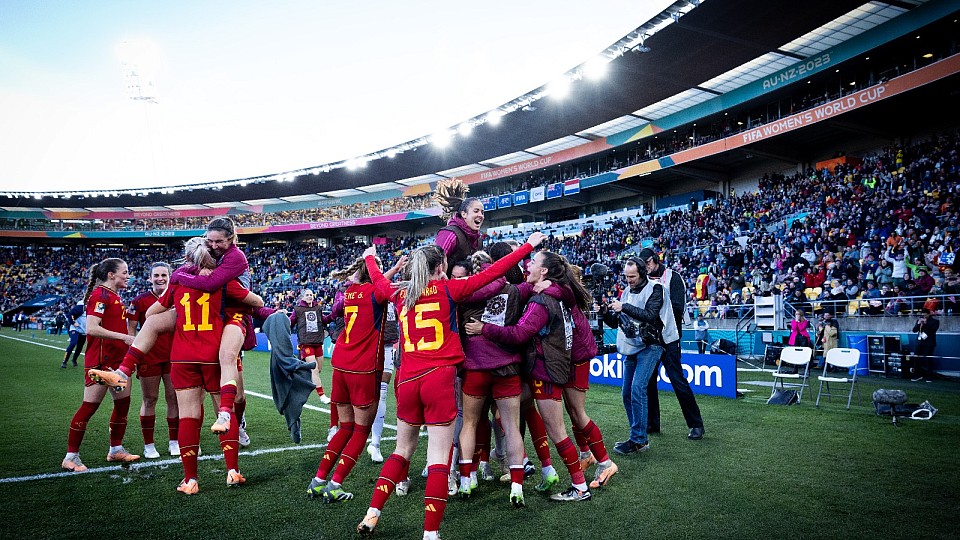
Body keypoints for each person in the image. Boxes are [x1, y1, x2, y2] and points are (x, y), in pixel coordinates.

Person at [357, 232, 544, 540]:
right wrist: (527, 246)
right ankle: (430, 533)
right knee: (438, 456)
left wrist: (368, 257)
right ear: (440, 265)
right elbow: (495, 271)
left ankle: (373, 512)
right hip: (440, 378)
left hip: (408, 379)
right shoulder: (449, 289)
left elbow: (377, 280)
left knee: (401, 450)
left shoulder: (400, 294)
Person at [92, 218, 254, 446]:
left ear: (231, 239)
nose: (214, 246)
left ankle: (234, 420)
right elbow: (152, 313)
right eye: (210, 243)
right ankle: (123, 372)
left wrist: (177, 277)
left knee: (231, 376)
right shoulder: (191, 274)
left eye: (218, 242)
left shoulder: (231, 260)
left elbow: (229, 291)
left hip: (230, 316)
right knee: (155, 325)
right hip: (197, 335)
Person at [468, 249, 595, 503]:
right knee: (514, 411)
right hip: (551, 367)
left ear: (544, 271)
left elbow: (518, 334)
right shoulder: (555, 293)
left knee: (556, 430)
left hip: (545, 371)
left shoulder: (541, 302)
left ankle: (579, 486)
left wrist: (485, 328)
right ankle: (540, 467)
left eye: (533, 262)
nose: (528, 265)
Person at [141, 237, 263, 494]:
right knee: (225, 411)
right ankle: (232, 470)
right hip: (214, 354)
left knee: (189, 417)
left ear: (187, 258)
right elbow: (257, 301)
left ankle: (190, 480)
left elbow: (151, 315)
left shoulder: (177, 282)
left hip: (183, 356)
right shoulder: (223, 283)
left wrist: (176, 316)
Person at [305, 254, 406, 503]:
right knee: (361, 430)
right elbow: (383, 289)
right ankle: (336, 484)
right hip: (364, 367)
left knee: (345, 427)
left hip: (341, 364)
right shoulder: (376, 292)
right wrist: (386, 268)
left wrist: (391, 269)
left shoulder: (351, 292)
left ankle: (318, 481)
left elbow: (378, 286)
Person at [61, 258, 138, 472]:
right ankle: (71, 457)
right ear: (111, 275)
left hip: (118, 362)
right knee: (89, 407)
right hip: (101, 363)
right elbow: (92, 329)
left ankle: (116, 450)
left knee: (122, 405)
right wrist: (124, 338)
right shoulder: (100, 295)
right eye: (124, 272)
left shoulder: (113, 295)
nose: (128, 275)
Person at [637, 248, 705, 441]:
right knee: (648, 381)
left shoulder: (673, 278)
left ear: (655, 260)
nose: (646, 268)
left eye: (647, 263)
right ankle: (652, 423)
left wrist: (652, 315)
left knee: (677, 380)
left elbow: (677, 308)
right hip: (650, 339)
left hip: (669, 338)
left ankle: (696, 424)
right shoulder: (645, 281)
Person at [600, 258, 666, 455]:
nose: (629, 280)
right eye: (627, 276)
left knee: (637, 388)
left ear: (642, 273)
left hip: (651, 345)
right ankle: (637, 435)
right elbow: (616, 322)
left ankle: (638, 439)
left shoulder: (656, 288)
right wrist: (604, 312)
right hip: (632, 346)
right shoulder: (627, 291)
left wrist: (624, 307)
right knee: (627, 393)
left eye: (632, 276)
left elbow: (650, 315)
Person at [126, 262, 180, 458]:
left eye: (164, 275)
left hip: (174, 356)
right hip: (149, 356)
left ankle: (174, 441)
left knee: (173, 398)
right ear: (150, 278)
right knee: (150, 399)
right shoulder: (140, 301)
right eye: (156, 275)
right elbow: (131, 332)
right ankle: (148, 445)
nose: (160, 279)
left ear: (170, 277)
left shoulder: (178, 297)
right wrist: (133, 358)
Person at [434, 178, 484, 274]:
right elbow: (434, 264)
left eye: (482, 212)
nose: (480, 215)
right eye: (476, 211)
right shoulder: (450, 234)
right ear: (464, 214)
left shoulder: (479, 240)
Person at [290, 289, 331, 405]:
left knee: (319, 369)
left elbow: (324, 320)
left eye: (311, 295)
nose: (309, 296)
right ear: (302, 297)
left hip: (317, 342)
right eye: (307, 295)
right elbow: (290, 323)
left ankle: (300, 377)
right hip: (306, 343)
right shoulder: (297, 310)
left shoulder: (317, 308)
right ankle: (322, 396)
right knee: (315, 369)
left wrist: (334, 314)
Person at [912, 309, 939, 381]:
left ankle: (929, 376)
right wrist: (918, 324)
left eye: (925, 314)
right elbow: (914, 330)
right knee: (916, 358)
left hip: (929, 343)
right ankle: (917, 375)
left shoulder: (935, 321)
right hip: (919, 342)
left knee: (928, 359)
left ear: (929, 314)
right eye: (922, 314)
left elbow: (932, 331)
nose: (924, 316)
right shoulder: (919, 320)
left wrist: (926, 323)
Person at [61, 301, 87, 368]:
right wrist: (73, 322)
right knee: (73, 343)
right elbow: (70, 315)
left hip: (84, 331)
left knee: (80, 347)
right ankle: (65, 361)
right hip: (75, 329)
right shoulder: (81, 306)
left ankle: (74, 360)